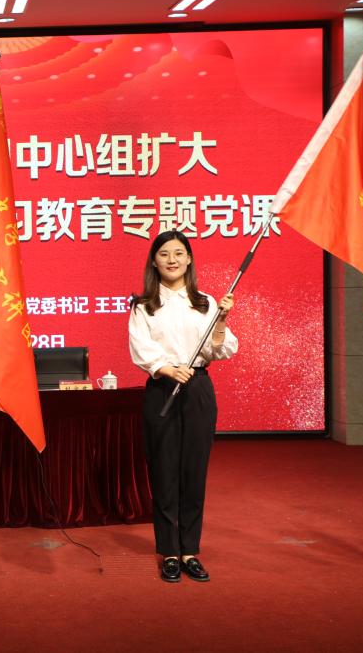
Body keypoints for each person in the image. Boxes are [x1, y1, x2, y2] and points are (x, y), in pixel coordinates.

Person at [128, 230, 237, 583]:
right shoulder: (143, 305)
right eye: (164, 254)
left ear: (189, 259)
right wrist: (165, 368)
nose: (172, 260)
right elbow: (141, 349)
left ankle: (190, 551)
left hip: (198, 388)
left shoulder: (205, 302)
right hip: (162, 388)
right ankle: (169, 552)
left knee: (194, 472)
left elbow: (220, 349)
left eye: (178, 253)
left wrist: (222, 320)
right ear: (154, 262)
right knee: (164, 471)